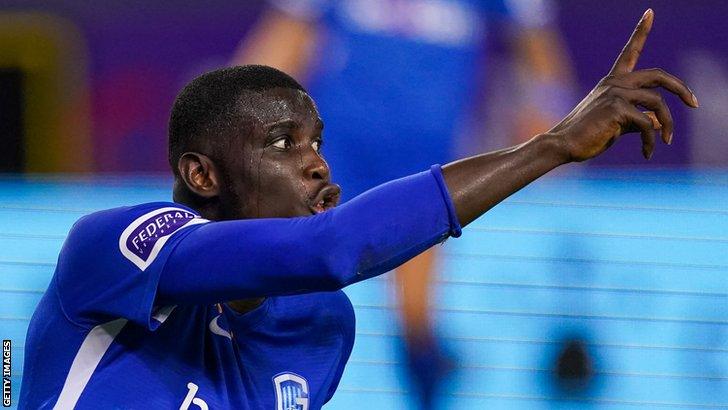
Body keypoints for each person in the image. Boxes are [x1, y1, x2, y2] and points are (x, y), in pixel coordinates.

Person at [19, 10, 697, 409]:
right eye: (283, 144)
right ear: (202, 173)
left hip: (420, 150)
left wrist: (545, 101)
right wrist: (550, 145)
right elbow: (331, 250)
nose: (315, 162)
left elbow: (531, 41)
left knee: (417, 321)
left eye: (317, 143)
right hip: (394, 178)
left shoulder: (318, 328)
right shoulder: (115, 247)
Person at [235, 2, 575, 402]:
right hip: (336, 157)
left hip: (426, 166)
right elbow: (287, 34)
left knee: (416, 321)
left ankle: (425, 388)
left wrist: (549, 112)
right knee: (291, 290)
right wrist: (237, 117)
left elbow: (533, 35)